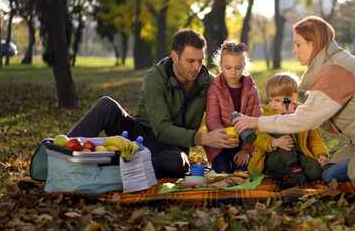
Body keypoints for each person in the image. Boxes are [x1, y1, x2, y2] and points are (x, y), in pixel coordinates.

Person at [234, 16, 355, 187]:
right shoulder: (331, 65)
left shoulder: (334, 70)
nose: (294, 50)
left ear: (314, 43)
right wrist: (300, 110)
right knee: (327, 168)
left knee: (329, 176)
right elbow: (327, 119)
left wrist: (256, 122)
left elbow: (305, 121)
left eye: (298, 44)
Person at [68, 29, 237, 178]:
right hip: (140, 135)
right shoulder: (155, 77)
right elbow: (161, 128)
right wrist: (204, 138)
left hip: (172, 149)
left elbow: (229, 110)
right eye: (190, 61)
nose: (196, 67)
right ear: (175, 56)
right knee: (106, 105)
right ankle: (60, 152)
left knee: (176, 162)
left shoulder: (209, 82)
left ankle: (120, 168)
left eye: (200, 61)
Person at [248, 72, 329, 187]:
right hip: (274, 157)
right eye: (270, 100)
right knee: (279, 126)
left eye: (276, 100)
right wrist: (275, 142)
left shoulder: (303, 114)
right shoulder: (266, 115)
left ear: (292, 98)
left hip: (298, 155)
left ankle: (288, 176)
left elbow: (314, 139)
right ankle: (293, 172)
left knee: (316, 172)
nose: (272, 104)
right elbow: (257, 138)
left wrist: (321, 154)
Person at [204, 41, 262, 173]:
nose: (233, 72)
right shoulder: (215, 88)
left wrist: (246, 149)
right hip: (221, 143)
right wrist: (224, 138)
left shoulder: (251, 89)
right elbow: (212, 119)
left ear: (244, 66)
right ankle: (220, 165)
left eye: (238, 68)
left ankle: (245, 160)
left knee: (242, 171)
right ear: (221, 66)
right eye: (228, 68)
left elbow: (257, 118)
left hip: (245, 143)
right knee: (222, 170)